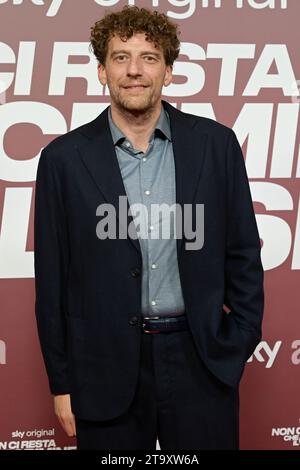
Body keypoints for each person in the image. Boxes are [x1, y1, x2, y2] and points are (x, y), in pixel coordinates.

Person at [34, 6, 264, 450]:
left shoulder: (216, 145)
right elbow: (53, 280)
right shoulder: (62, 160)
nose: (134, 71)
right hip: (104, 367)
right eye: (120, 57)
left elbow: (243, 254)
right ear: (101, 71)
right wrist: (61, 383)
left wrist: (234, 343)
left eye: (149, 57)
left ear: (169, 71)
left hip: (199, 361)